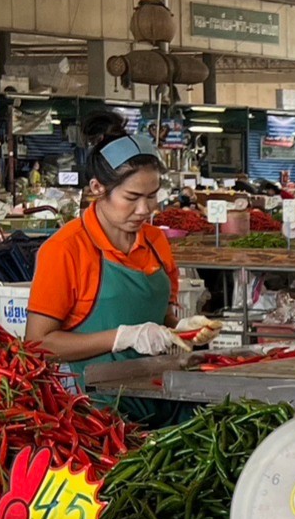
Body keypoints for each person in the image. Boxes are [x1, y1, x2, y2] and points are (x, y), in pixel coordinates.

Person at [24, 113, 185, 416]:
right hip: (94, 409)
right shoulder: (65, 249)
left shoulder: (155, 241)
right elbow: (37, 343)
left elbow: (159, 318)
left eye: (152, 197)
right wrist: (121, 337)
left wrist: (183, 330)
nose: (145, 210)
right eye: (132, 197)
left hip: (161, 395)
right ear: (98, 188)